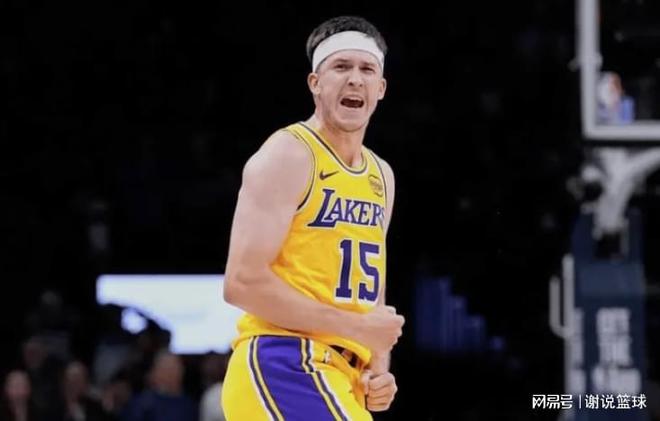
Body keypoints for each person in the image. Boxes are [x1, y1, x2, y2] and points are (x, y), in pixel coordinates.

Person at [221, 15, 404, 421]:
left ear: (381, 88)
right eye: (341, 67)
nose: (354, 79)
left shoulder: (381, 175)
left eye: (366, 69)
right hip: (283, 362)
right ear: (315, 83)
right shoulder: (290, 153)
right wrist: (356, 329)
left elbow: (371, 298)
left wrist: (378, 369)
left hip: (340, 377)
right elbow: (241, 283)